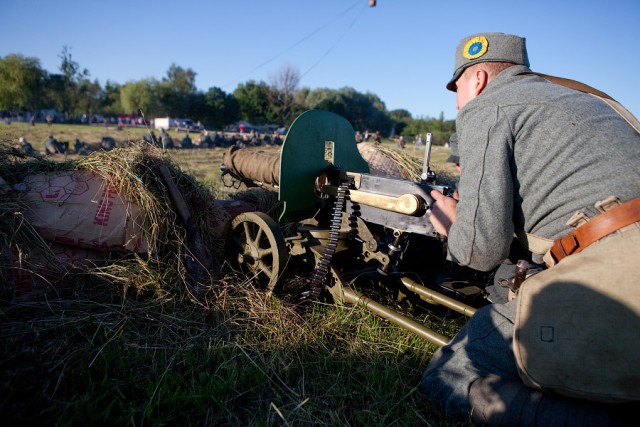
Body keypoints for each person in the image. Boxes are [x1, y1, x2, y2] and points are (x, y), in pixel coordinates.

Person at [421, 32, 640, 426]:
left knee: (448, 374)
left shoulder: (486, 107)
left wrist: (453, 221)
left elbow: (477, 253)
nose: (455, 100)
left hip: (616, 276)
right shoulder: (591, 101)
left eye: (457, 87)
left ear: (479, 80)